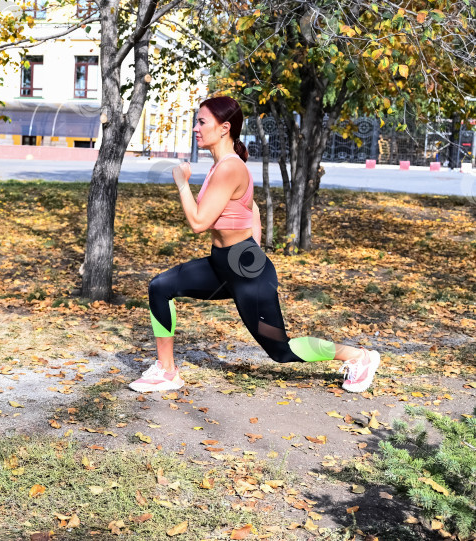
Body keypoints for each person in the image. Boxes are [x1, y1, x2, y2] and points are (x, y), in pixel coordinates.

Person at [128, 96, 380, 393]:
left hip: (246, 271)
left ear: (224, 128)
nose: (196, 128)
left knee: (280, 349)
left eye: (201, 122)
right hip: (225, 264)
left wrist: (181, 182)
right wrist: (253, 248)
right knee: (160, 286)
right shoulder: (221, 165)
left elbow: (198, 223)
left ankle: (357, 356)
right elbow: (254, 210)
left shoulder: (229, 168)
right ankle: (167, 371)